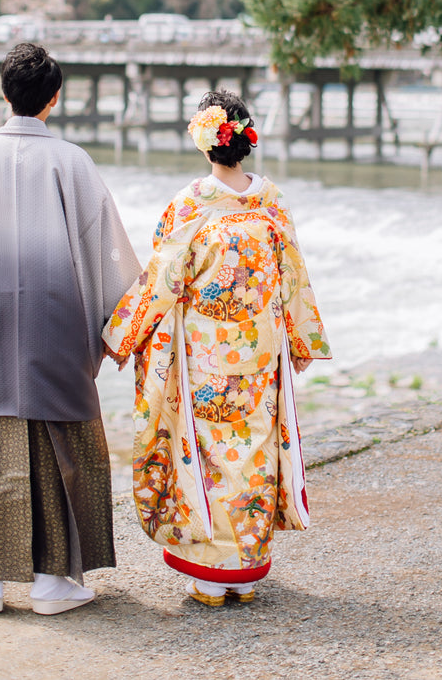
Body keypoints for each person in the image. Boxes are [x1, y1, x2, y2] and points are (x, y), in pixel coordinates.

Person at [102, 88, 331, 607]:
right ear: (246, 140)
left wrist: (122, 335)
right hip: (260, 354)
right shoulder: (271, 202)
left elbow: (160, 280)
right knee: (253, 451)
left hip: (206, 357)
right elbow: (294, 276)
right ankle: (247, 568)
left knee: (208, 458)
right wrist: (300, 338)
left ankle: (212, 573)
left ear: (206, 144)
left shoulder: (190, 205)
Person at [0, 42, 139, 616]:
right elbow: (109, 255)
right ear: (54, 99)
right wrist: (116, 329)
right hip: (60, 319)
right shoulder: (72, 161)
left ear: (4, 93)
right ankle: (55, 581)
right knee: (65, 450)